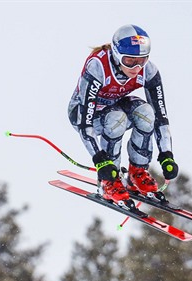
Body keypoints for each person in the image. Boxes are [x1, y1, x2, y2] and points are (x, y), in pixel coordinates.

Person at [68, 24, 179, 205]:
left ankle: (137, 173)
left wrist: (167, 154)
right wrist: (100, 160)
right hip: (83, 115)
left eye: (141, 60)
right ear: (117, 54)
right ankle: (109, 182)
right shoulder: (98, 66)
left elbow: (161, 118)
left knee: (146, 114)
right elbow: (84, 122)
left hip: (113, 106)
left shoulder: (149, 71)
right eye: (129, 61)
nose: (136, 68)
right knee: (116, 119)